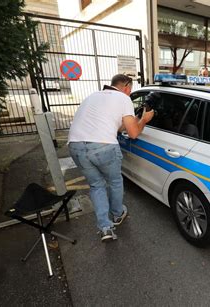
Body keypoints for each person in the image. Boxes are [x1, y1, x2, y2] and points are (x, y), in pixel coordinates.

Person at [68, 74, 154, 242]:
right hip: (103, 147)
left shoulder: (93, 96)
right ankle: (117, 213)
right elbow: (134, 133)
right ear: (127, 87)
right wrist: (144, 119)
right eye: (130, 90)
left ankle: (105, 228)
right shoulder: (123, 99)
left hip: (75, 146)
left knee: (96, 186)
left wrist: (135, 119)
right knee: (114, 182)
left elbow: (117, 124)